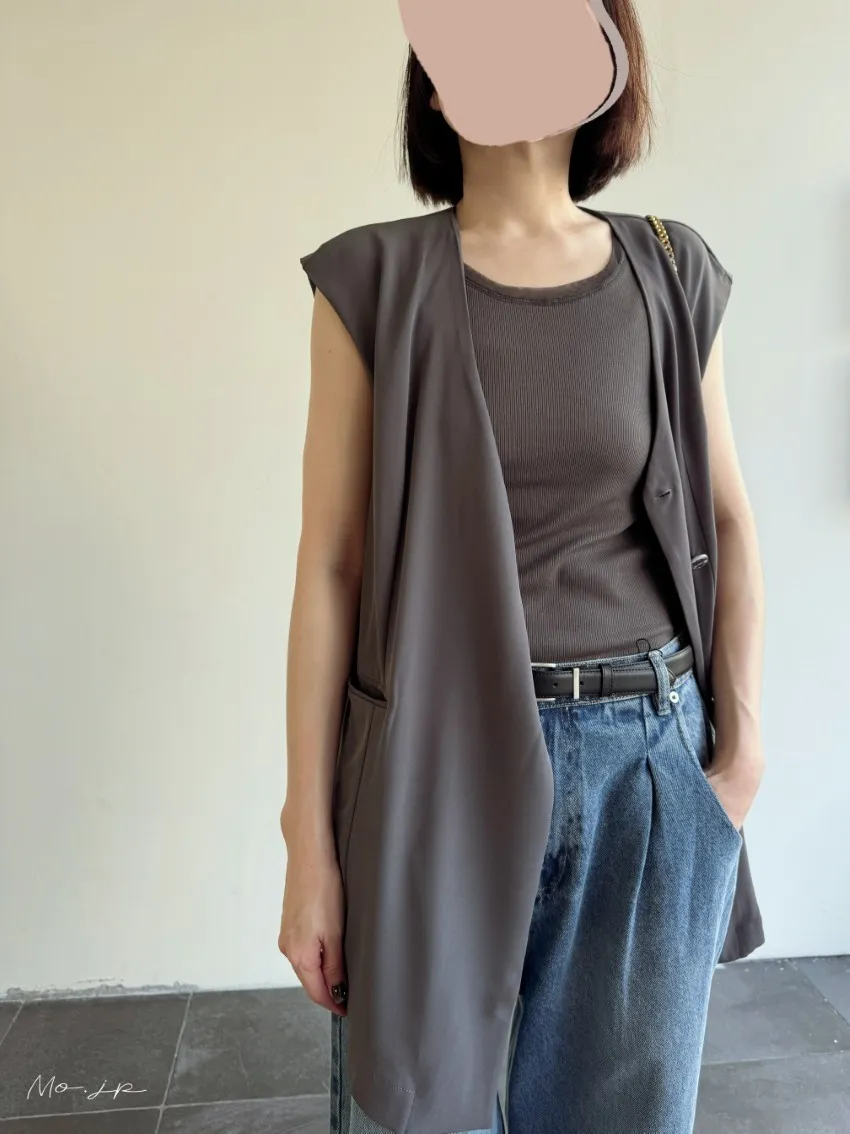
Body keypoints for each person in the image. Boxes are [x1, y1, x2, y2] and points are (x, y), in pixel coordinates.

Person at [279, 7, 766, 1133]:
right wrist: (308, 843)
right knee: (420, 1109)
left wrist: (738, 752)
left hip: (647, 765)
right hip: (429, 760)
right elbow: (330, 569)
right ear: (433, 81)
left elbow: (729, 521)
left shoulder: (670, 269)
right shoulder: (370, 282)